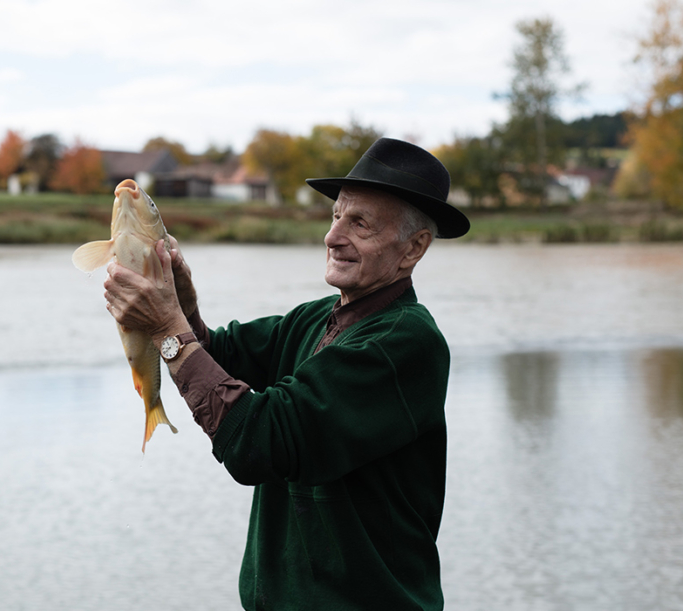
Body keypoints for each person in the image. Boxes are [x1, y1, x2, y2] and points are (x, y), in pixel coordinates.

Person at [103, 137, 470, 610]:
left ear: (413, 248)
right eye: (337, 215)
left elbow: (259, 442)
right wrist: (183, 310)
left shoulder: (404, 344)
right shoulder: (315, 318)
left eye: (360, 224)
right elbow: (220, 355)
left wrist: (167, 329)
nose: (333, 237)